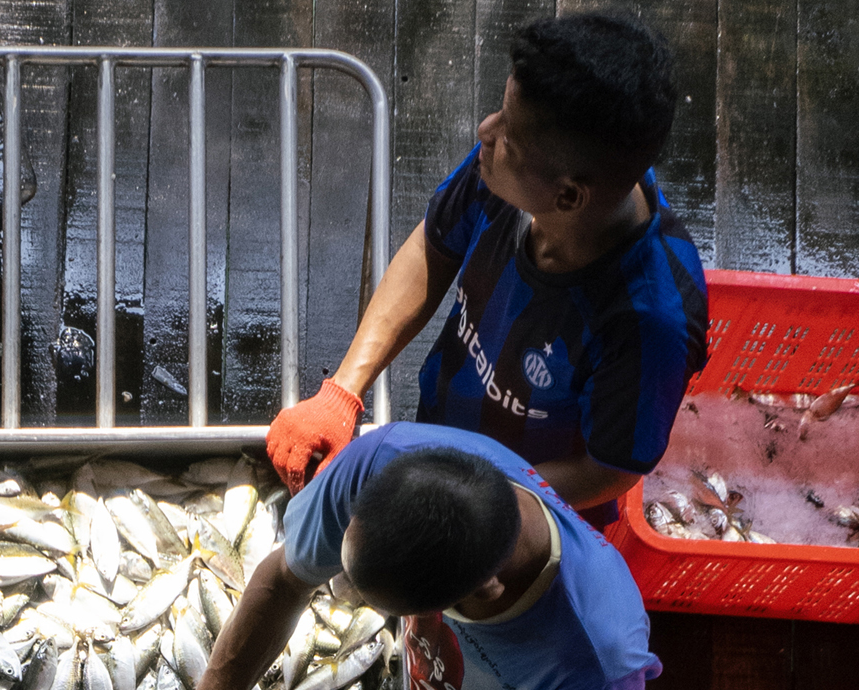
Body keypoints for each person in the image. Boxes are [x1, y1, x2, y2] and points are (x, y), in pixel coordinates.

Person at [95, 424, 655, 690]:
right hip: (429, 678)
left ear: (485, 592)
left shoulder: (597, 651)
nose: (336, 594)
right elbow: (287, 578)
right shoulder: (385, 460)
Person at [267, 13, 705, 523]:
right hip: (444, 437)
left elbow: (607, 470)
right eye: (501, 113)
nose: (485, 131)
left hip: (526, 520)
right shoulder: (514, 175)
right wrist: (344, 390)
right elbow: (432, 246)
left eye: (507, 136)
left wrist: (471, 496)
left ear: (568, 195)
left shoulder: (650, 320)